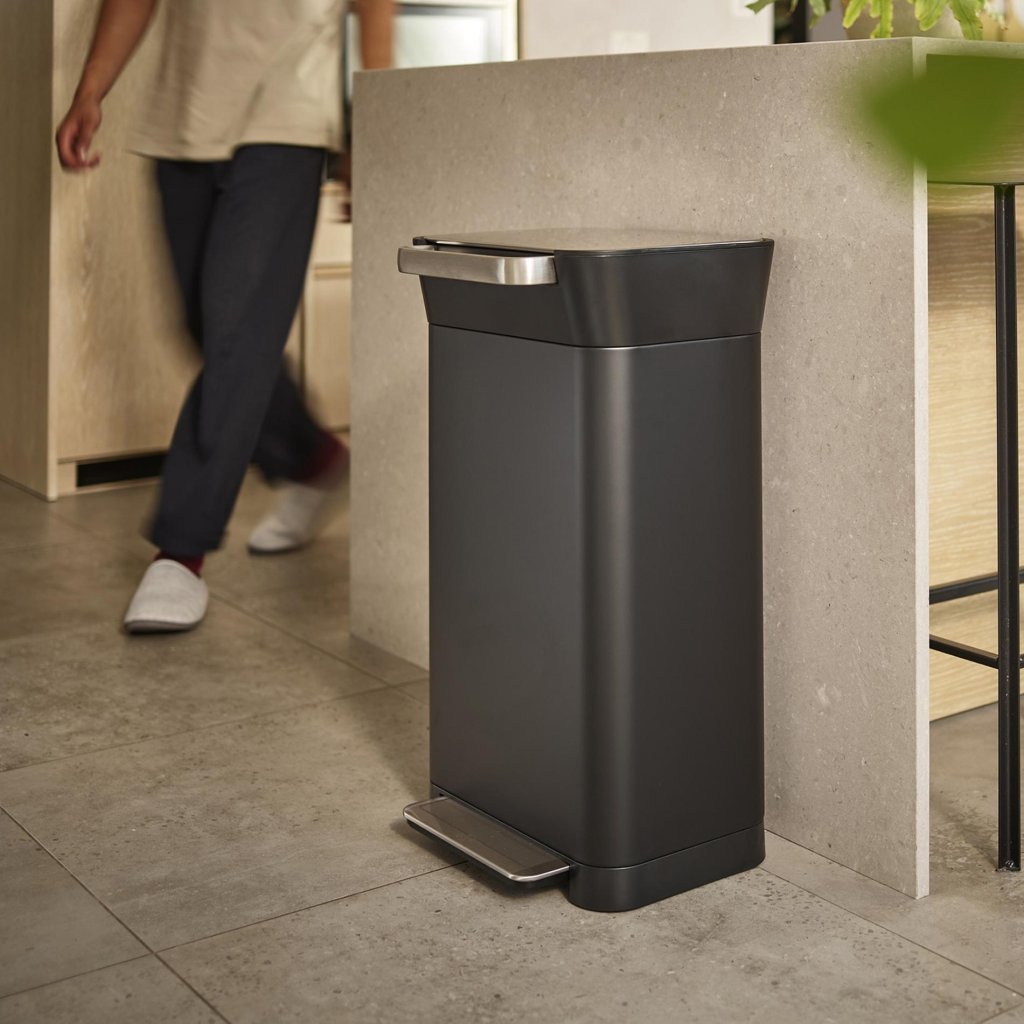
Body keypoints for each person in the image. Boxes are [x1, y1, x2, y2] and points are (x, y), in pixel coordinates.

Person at [56, 0, 393, 634]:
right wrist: (91, 89)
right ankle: (315, 458)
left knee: (237, 332)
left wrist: (371, 125)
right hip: (180, 115)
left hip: (287, 120)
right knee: (206, 327)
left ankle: (180, 551)